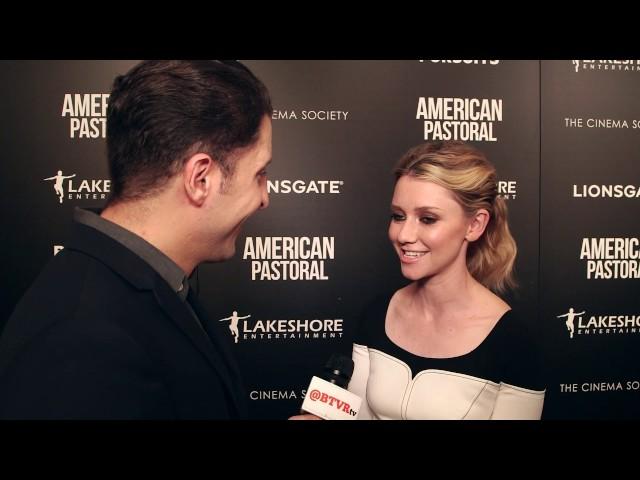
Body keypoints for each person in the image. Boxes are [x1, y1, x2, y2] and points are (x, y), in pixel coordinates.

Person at [0, 60, 273, 419]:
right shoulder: (83, 339)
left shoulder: (154, 283)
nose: (265, 197)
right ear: (201, 178)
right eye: (260, 174)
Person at [348, 140, 545, 419]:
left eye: (427, 219)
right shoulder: (376, 314)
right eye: (398, 216)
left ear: (475, 224)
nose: (404, 235)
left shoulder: (512, 342)